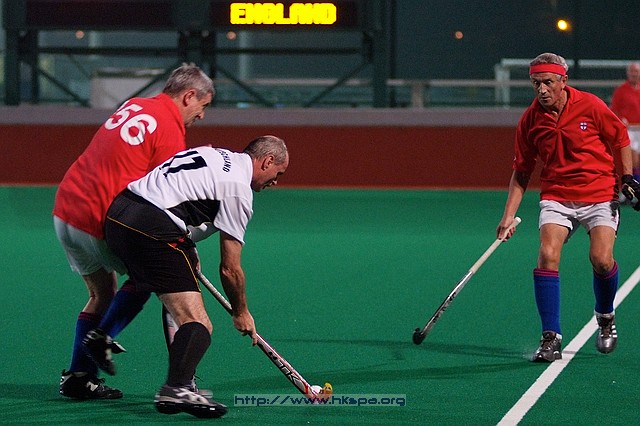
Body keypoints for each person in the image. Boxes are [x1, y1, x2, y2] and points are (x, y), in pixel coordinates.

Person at [87, 136, 288, 418]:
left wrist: (187, 250)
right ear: (267, 161)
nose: (275, 181)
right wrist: (241, 312)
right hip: (153, 228)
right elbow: (230, 268)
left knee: (175, 293)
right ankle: (177, 387)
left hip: (120, 214)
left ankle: (179, 382)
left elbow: (178, 191)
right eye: (278, 173)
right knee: (198, 322)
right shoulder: (239, 190)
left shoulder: (214, 154)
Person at [53, 63, 214, 399]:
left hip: (66, 211)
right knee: (153, 273)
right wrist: (184, 249)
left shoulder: (136, 104)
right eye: (203, 105)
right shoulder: (169, 129)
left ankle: (79, 377)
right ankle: (105, 341)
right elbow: (165, 200)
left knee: (101, 294)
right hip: (98, 217)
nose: (201, 115)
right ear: (188, 96)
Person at [496, 52, 640, 363]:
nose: (542, 89)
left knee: (601, 260)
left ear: (564, 80)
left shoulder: (591, 105)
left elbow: (620, 138)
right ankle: (551, 337)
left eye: (548, 82)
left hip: (599, 192)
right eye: (536, 83)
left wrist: (627, 177)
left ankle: (605, 317)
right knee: (547, 255)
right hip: (557, 196)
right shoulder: (530, 121)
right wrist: (508, 216)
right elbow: (522, 171)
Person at [610, 62, 640, 180]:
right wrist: (621, 119)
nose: (634, 74)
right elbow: (613, 110)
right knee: (633, 159)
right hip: (629, 130)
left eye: (636, 71)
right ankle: (633, 184)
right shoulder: (621, 90)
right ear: (628, 73)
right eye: (632, 71)